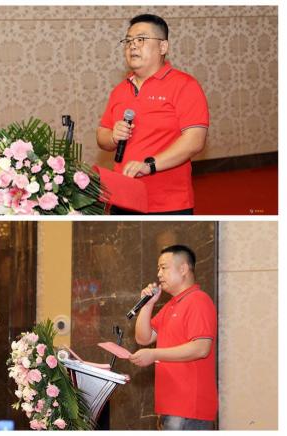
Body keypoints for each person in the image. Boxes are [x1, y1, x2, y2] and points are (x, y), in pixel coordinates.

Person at [96, 14, 209, 215]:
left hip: (168, 203)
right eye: (128, 41)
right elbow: (102, 136)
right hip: (123, 197)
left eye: (141, 39)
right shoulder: (120, 90)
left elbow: (194, 141)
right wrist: (113, 136)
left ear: (163, 47)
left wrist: (150, 165)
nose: (132, 46)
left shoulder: (185, 85)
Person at [130, 245, 217, 430]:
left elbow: (201, 348)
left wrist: (154, 354)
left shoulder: (198, 300)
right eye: (158, 268)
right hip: (170, 406)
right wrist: (148, 304)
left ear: (183, 269)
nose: (159, 274)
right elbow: (143, 338)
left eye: (164, 267)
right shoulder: (171, 305)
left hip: (189, 407)